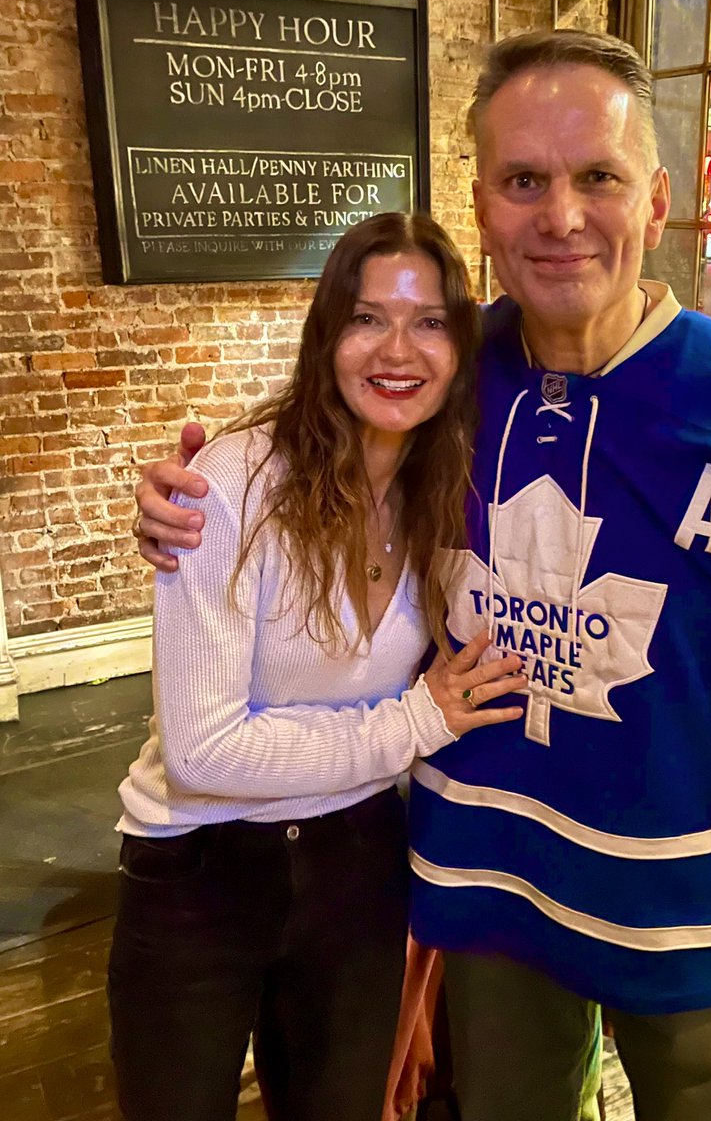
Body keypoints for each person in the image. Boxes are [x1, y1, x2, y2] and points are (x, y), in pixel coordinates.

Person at [134, 31, 711, 1121]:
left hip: (690, 912)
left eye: (597, 179)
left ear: (658, 201)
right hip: (481, 892)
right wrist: (182, 494)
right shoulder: (441, 373)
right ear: (480, 205)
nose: (560, 217)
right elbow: (300, 446)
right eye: (524, 180)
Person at [110, 211, 527, 1121]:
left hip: (357, 861)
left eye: (428, 323)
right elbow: (204, 755)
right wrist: (416, 721)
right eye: (367, 317)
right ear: (326, 334)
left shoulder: (447, 493)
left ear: (460, 350)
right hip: (197, 871)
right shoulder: (232, 485)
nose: (397, 350)